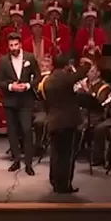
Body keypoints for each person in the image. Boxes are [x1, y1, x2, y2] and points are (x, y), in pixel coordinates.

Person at [42, 55, 93, 194]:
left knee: (55, 154)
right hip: (66, 122)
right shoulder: (65, 78)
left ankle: (55, 181)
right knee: (66, 155)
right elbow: (81, 73)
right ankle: (64, 185)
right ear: (66, 66)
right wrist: (88, 64)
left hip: (53, 120)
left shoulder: (48, 80)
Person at [0, 33, 40, 175]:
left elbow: (38, 77)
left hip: (26, 100)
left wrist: (27, 85)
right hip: (10, 101)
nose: (13, 48)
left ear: (20, 44)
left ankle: (28, 163)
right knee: (12, 132)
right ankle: (16, 160)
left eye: (16, 45)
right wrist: (10, 87)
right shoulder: (3, 60)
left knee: (26, 130)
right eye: (11, 45)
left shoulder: (30, 58)